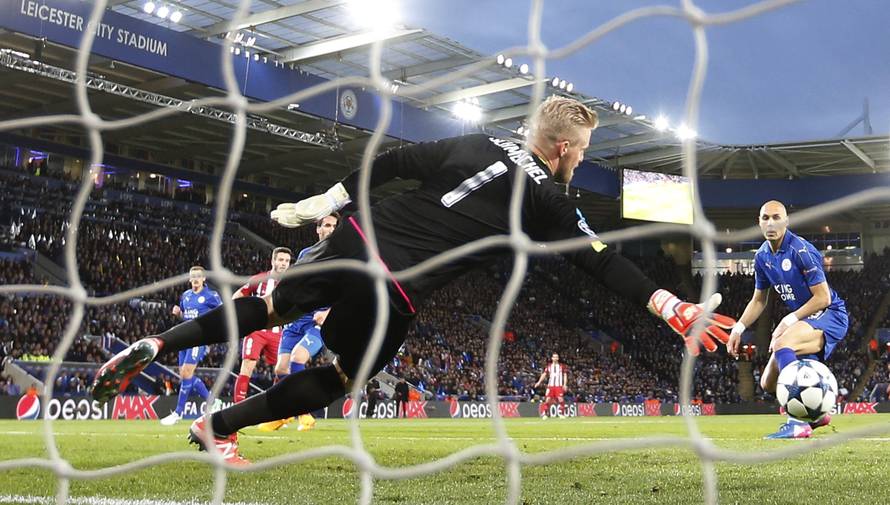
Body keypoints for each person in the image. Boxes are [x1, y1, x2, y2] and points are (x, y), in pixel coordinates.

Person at [91, 95, 735, 464]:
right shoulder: (549, 198)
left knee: (266, 309)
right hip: (397, 286)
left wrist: (322, 205)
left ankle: (157, 344)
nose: (581, 161)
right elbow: (596, 257)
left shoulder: (477, 142)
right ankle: (219, 428)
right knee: (342, 376)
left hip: (357, 236)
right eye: (584, 152)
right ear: (563, 149)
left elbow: (393, 160)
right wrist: (667, 303)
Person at [727, 200, 848, 439]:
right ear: (759, 223)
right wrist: (738, 327)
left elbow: (822, 297)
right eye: (765, 218)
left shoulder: (801, 250)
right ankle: (816, 414)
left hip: (830, 315)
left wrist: (787, 321)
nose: (771, 223)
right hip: (803, 321)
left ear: (786, 221)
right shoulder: (762, 256)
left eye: (776, 217)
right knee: (767, 383)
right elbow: (759, 300)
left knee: (782, 342)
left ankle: (797, 422)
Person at [258, 214, 339, 432]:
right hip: (296, 320)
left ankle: (303, 412)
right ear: (318, 229)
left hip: (318, 320)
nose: (330, 229)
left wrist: (329, 312)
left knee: (298, 357)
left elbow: (348, 290)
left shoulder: (343, 256)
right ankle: (283, 415)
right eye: (326, 225)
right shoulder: (306, 254)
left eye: (334, 226)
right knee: (281, 368)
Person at [160, 266, 223, 426]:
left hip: (199, 339)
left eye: (198, 276)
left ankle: (178, 413)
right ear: (189, 279)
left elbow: (223, 314)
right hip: (184, 339)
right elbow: (185, 317)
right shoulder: (186, 296)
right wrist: (178, 314)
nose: (195, 279)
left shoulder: (211, 296)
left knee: (187, 372)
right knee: (184, 375)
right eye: (192, 276)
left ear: (203, 279)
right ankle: (212, 402)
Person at [231, 247, 292, 404]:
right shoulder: (259, 279)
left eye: (287, 261)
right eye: (280, 260)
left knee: (282, 370)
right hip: (256, 330)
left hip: (278, 333)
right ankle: (237, 409)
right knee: (247, 366)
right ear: (273, 261)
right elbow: (237, 296)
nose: (284, 264)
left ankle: (276, 408)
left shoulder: (291, 283)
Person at [534, 353, 567, 419]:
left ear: (558, 358)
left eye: (556, 357)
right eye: (554, 357)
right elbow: (544, 374)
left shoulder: (562, 366)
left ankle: (562, 414)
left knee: (560, 399)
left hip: (559, 386)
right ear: (552, 358)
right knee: (548, 399)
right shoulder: (549, 366)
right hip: (550, 386)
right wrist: (539, 382)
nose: (555, 358)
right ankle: (545, 414)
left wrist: (565, 384)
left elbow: (565, 375)